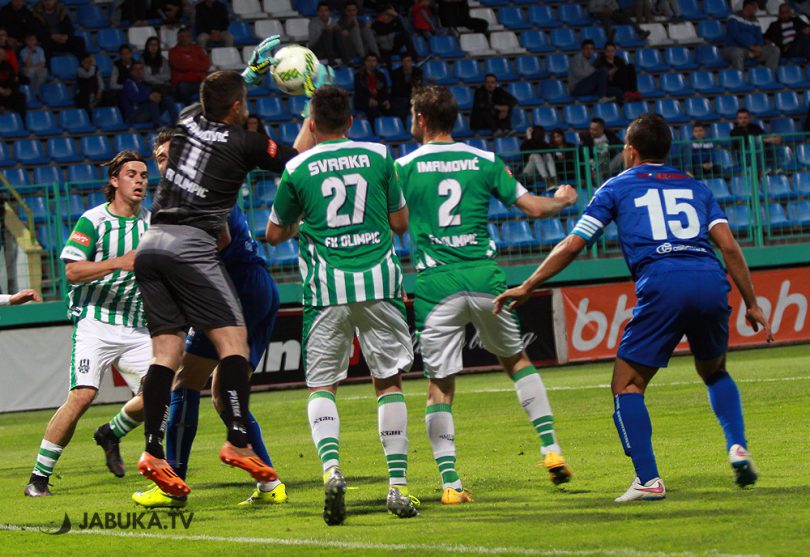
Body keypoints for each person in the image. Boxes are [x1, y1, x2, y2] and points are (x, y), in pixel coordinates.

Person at [494, 113, 772, 502]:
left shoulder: (616, 187)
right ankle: (737, 446)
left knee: (627, 385)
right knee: (714, 371)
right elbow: (728, 246)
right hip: (710, 279)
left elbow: (573, 245)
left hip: (662, 281)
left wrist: (528, 284)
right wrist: (752, 303)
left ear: (630, 151)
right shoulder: (696, 186)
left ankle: (648, 480)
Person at [132, 38, 313, 500]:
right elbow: (297, 167)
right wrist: (311, 112)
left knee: (171, 362)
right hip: (198, 257)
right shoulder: (241, 146)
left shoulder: (186, 126)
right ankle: (238, 447)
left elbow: (208, 104)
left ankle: (155, 454)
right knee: (225, 357)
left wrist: (248, 74)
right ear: (237, 108)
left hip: (159, 250)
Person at [395, 85, 576, 504]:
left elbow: (394, 225)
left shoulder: (402, 167)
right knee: (516, 361)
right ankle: (551, 449)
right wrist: (562, 200)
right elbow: (534, 209)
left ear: (421, 118)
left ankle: (451, 484)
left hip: (435, 283)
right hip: (483, 278)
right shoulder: (484, 160)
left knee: (439, 386)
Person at [265, 85, 419, 525]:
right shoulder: (379, 155)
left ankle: (332, 470)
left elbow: (273, 235)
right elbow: (401, 223)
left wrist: (305, 223)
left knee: (322, 386)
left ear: (312, 125)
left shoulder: (297, 167)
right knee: (388, 382)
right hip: (380, 284)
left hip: (325, 290)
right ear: (350, 121)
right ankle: (397, 487)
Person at [130, 130, 288, 508]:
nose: (167, 163)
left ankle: (172, 483)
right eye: (161, 158)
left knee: (184, 380)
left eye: (173, 155)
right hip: (253, 288)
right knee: (221, 394)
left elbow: (220, 240)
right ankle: (270, 483)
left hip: (235, 290)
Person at [24, 151, 152, 497]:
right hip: (96, 322)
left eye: (143, 175)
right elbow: (71, 271)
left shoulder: (152, 223)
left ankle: (111, 433)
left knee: (159, 394)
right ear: (114, 181)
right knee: (83, 396)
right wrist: (118, 262)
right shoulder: (93, 221)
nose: (140, 180)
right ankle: (38, 477)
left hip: (137, 325)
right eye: (131, 174)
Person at [723, 0, 780, 71]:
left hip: (752, 50)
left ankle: (769, 75)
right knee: (737, 53)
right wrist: (751, 47)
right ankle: (740, 77)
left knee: (774, 50)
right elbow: (736, 35)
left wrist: (759, 48)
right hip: (735, 48)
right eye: (754, 8)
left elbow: (759, 37)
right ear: (748, 7)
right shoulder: (733, 17)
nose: (756, 10)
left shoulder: (755, 20)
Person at [121, 61, 178, 128]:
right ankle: (158, 126)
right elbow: (133, 97)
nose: (138, 71)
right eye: (135, 69)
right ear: (131, 72)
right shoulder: (128, 83)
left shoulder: (146, 84)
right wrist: (149, 97)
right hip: (134, 115)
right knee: (152, 101)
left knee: (167, 99)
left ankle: (177, 124)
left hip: (147, 113)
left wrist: (159, 96)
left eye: (141, 69)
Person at [169, 27, 210, 105]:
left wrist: (188, 64)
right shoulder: (173, 51)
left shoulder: (198, 49)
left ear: (190, 38)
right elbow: (179, 66)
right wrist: (195, 64)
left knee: (209, 88)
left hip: (199, 80)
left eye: (187, 36)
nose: (184, 39)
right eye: (182, 37)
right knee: (183, 89)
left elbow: (206, 65)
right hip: (182, 82)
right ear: (177, 38)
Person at [354, 53, 390, 123]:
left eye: (374, 61)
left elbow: (384, 90)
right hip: (364, 102)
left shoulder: (381, 75)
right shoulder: (359, 76)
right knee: (373, 110)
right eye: (369, 61)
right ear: (365, 62)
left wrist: (386, 100)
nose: (372, 63)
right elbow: (359, 92)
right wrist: (368, 100)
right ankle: (374, 128)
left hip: (378, 100)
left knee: (393, 108)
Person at [390, 53, 422, 121]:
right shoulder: (396, 73)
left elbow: (418, 85)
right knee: (402, 103)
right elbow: (397, 89)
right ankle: (403, 122)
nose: (407, 63)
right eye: (404, 61)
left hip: (413, 95)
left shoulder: (417, 71)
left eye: (408, 61)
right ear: (402, 63)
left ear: (412, 62)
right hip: (401, 96)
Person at [0, 46, 26, 119]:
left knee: (20, 96)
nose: (0, 56)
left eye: (2, 54)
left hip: (7, 91)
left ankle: (21, 121)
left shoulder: (8, 66)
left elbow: (14, 80)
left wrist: (10, 89)